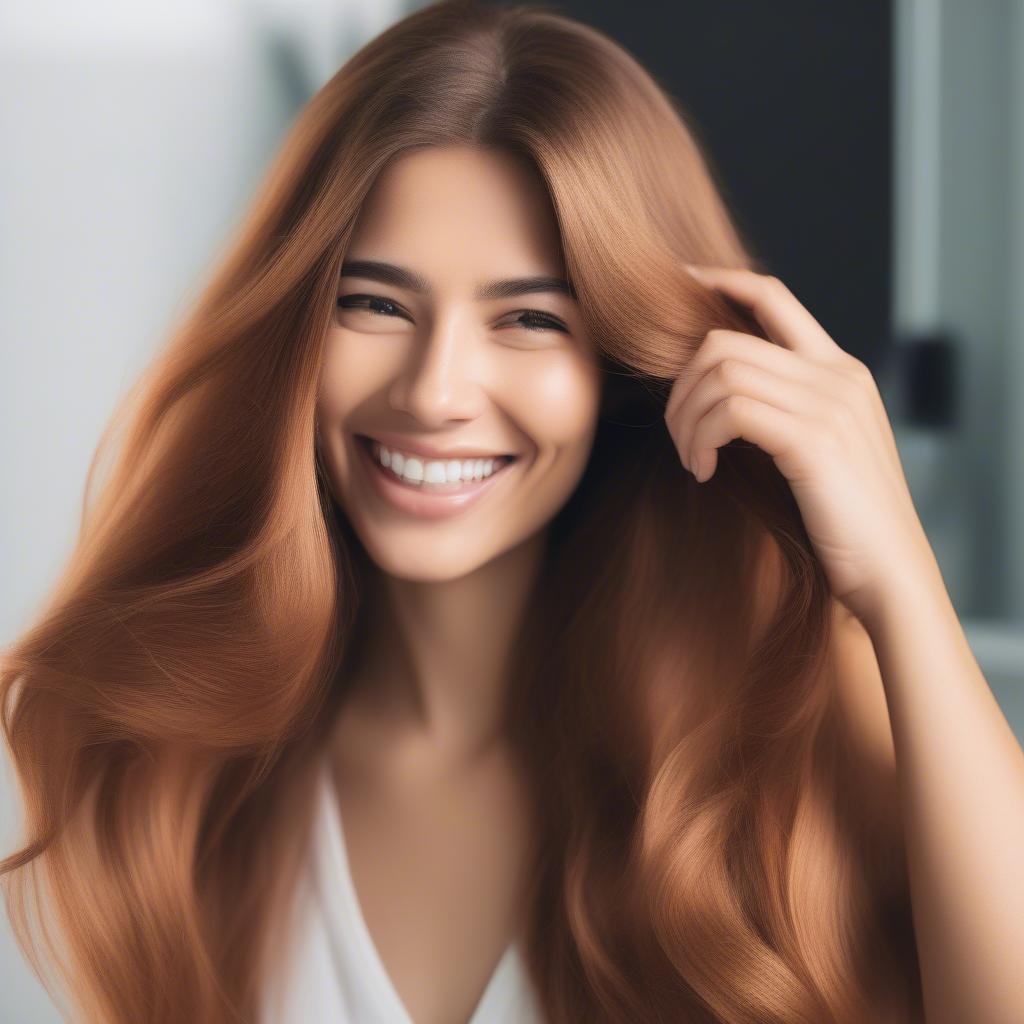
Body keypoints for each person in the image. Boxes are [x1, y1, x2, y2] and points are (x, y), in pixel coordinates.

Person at [4, 2, 1024, 1023]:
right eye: (375, 303)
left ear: (621, 363)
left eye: (529, 319)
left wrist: (899, 579)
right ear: (295, 325)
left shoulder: (786, 705)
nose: (436, 390)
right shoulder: (192, 754)